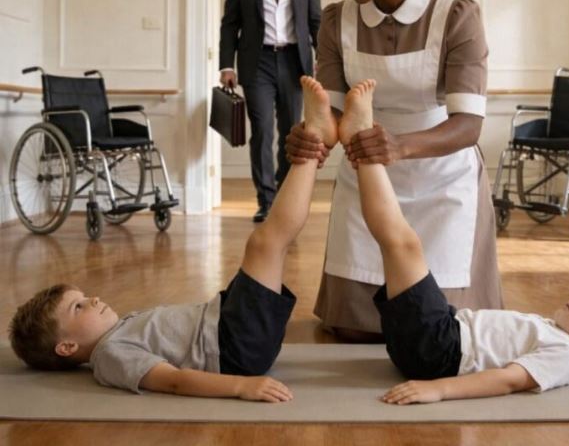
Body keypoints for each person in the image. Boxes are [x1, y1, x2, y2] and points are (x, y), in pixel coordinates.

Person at [9, 77, 337, 402]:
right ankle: (314, 140)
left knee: (268, 245)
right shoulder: (110, 355)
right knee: (266, 244)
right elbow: (174, 382)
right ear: (67, 347)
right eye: (78, 307)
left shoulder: (117, 332)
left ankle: (315, 140)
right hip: (233, 348)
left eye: (84, 297)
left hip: (226, 327)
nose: (93, 300)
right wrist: (241, 386)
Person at [342, 79, 569, 404]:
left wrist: (439, 389)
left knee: (402, 244)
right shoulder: (557, 333)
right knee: (399, 244)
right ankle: (360, 141)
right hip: (438, 337)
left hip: (439, 348)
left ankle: (361, 137)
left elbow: (509, 380)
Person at [286, 0, 502, 341]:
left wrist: (399, 146)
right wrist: (312, 135)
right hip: (367, 176)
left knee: (445, 330)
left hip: (442, 175)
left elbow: (469, 125)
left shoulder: (455, 15)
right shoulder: (336, 22)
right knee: (355, 329)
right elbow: (333, 112)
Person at [220, 0, 322, 223]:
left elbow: (315, 20)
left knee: (292, 131)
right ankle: (266, 200)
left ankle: (285, 197)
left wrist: (324, 59)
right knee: (262, 131)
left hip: (294, 61)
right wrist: (226, 65)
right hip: (257, 62)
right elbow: (230, 24)